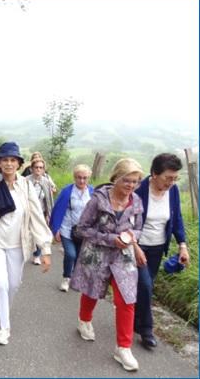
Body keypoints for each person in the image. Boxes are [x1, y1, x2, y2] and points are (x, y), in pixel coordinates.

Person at [70, 158, 145, 371]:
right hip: (97, 254)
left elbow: (139, 228)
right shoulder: (98, 200)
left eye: (136, 182)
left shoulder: (137, 201)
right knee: (92, 290)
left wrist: (131, 235)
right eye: (127, 181)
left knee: (127, 300)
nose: (131, 186)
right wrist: (111, 239)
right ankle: (84, 320)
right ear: (115, 178)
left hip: (124, 257)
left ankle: (123, 348)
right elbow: (82, 228)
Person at [0, 142, 53, 345]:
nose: (9, 164)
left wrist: (45, 249)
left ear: (19, 164)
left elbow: (37, 216)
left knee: (13, 284)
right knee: (0, 283)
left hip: (18, 244)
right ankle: (4, 326)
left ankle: (2, 311)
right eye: (5, 160)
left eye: (13, 160)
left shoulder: (26, 185)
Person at [134, 153, 190, 348]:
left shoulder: (172, 192)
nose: (171, 182)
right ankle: (146, 329)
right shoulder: (139, 189)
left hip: (158, 247)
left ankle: (134, 320)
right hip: (137, 246)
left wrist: (183, 245)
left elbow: (177, 219)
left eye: (175, 178)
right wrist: (134, 246)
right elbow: (126, 219)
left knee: (145, 286)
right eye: (168, 178)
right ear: (154, 174)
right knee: (146, 285)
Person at [49, 164, 94, 292]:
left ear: (88, 177)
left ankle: (76, 277)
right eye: (79, 177)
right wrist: (56, 229)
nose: (82, 181)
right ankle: (66, 278)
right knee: (71, 254)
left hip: (84, 232)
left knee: (80, 256)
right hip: (67, 228)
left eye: (85, 178)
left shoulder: (93, 192)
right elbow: (57, 209)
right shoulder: (67, 191)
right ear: (74, 177)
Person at [25, 158, 55, 265]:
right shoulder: (25, 181)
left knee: (39, 232)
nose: (38, 169)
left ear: (43, 170)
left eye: (41, 168)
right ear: (32, 169)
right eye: (36, 167)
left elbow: (48, 199)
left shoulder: (46, 182)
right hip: (27, 211)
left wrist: (48, 214)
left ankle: (36, 255)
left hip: (40, 212)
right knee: (26, 232)